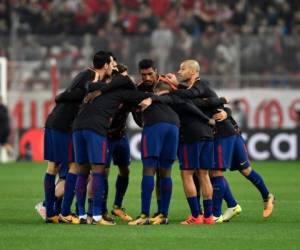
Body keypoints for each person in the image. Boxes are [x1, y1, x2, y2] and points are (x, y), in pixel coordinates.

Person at [72, 54, 151, 225]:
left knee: (83, 172)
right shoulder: (122, 91)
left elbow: (89, 85)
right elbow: (138, 95)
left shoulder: (95, 90)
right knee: (99, 171)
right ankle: (98, 216)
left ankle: (82, 215)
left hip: (78, 128)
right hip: (96, 130)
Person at [0, 97, 13, 161]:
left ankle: (10, 150)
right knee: (3, 142)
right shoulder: (4, 108)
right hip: (5, 128)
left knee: (3, 142)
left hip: (3, 129)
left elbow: (2, 117)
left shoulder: (2, 109)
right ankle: (9, 150)